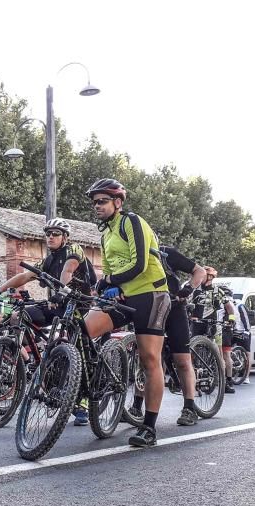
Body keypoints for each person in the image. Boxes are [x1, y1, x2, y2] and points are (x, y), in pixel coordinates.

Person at [80, 179, 171, 447]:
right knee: (83, 329)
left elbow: (140, 264)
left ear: (117, 202)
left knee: (149, 359)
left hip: (150, 293)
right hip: (124, 296)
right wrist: (110, 284)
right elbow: (110, 271)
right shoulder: (105, 234)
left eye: (102, 201)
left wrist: (108, 282)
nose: (97, 206)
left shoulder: (130, 222)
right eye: (94, 202)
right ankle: (97, 378)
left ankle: (149, 427)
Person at [0, 218, 97, 425]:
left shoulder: (74, 249)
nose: (50, 237)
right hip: (56, 303)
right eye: (48, 234)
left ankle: (82, 399)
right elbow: (26, 276)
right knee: (18, 316)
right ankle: (32, 358)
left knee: (76, 345)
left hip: (79, 305)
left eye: (55, 234)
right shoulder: (48, 259)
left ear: (65, 237)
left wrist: (61, 291)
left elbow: (68, 270)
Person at [127, 245, 208, 426]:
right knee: (148, 360)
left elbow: (199, 271)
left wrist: (187, 289)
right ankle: (136, 405)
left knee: (182, 360)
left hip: (174, 308)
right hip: (150, 309)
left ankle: (189, 407)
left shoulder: (167, 254)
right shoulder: (132, 257)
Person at [190, 268, 239, 394]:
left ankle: (225, 382)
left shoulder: (218, 291)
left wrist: (231, 320)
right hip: (197, 324)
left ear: (210, 277)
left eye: (204, 275)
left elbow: (229, 308)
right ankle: (193, 379)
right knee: (191, 352)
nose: (200, 277)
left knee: (219, 354)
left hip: (213, 326)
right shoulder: (195, 290)